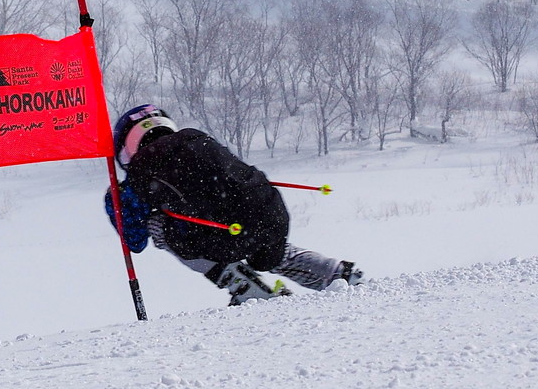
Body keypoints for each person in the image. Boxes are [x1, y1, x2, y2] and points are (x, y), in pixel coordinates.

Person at [105, 104, 364, 306]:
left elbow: (135, 241)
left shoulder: (140, 173)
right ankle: (336, 274)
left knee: (161, 224)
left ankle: (247, 289)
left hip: (226, 234)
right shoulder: (199, 139)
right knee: (265, 247)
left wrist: (116, 200)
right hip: (272, 215)